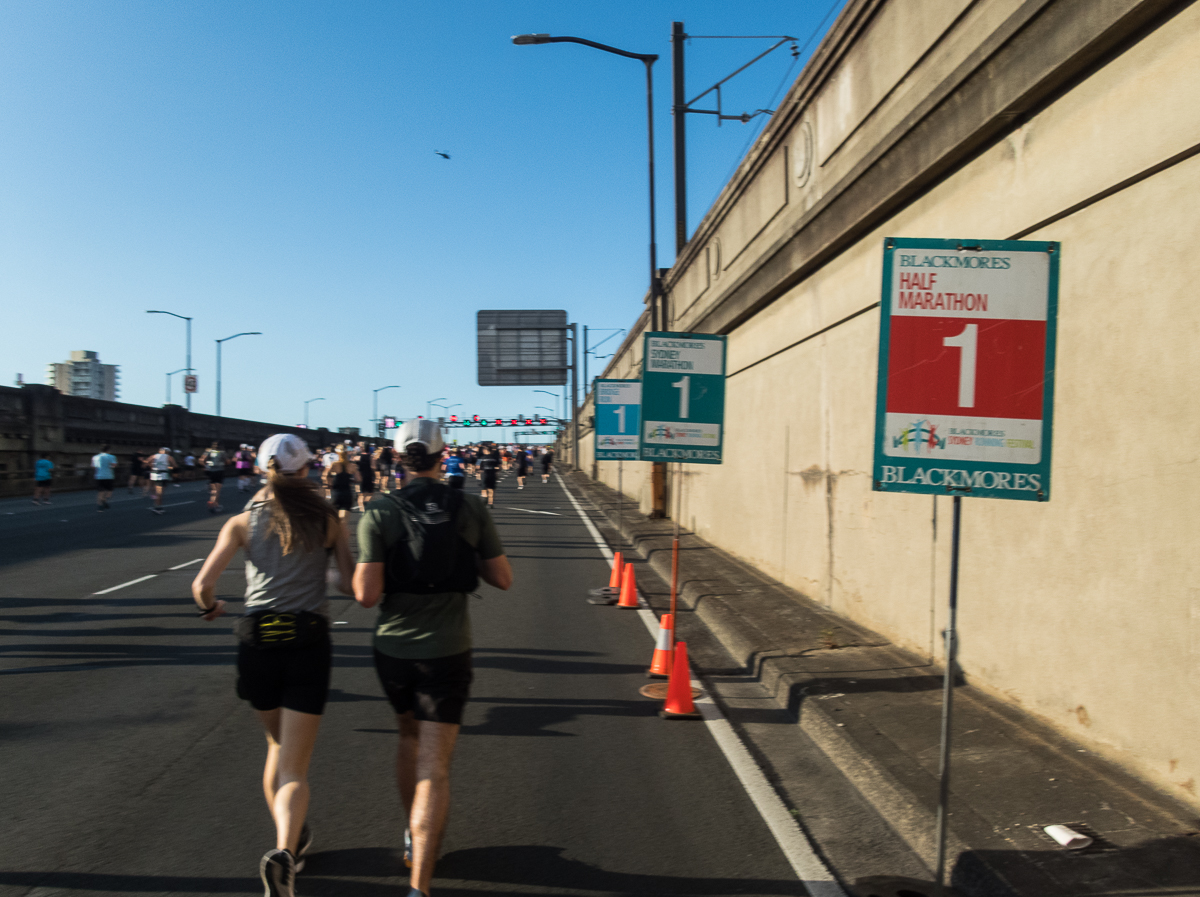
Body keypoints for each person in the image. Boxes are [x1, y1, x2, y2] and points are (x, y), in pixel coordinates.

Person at [354, 419, 512, 897]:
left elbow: (365, 595)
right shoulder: (468, 507)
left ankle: (410, 833)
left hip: (393, 651)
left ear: (398, 459)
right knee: (434, 766)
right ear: (446, 456)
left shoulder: (379, 512)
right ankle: (419, 886)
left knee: (408, 738)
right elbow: (502, 579)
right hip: (447, 650)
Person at [192, 434, 354, 897]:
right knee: (294, 768)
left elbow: (202, 585)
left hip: (257, 640)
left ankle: (292, 845)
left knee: (275, 748)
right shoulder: (327, 519)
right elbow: (346, 583)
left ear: (261, 470)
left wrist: (211, 607)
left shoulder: (241, 522)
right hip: (307, 641)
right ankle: (286, 850)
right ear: (306, 470)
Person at [322, 445, 359, 520]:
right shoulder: (352, 465)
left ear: (336, 453)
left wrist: (328, 484)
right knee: (343, 522)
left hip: (336, 493)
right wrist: (352, 480)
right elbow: (359, 479)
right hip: (347, 493)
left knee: (334, 521)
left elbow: (324, 475)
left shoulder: (334, 464)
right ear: (347, 453)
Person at [146, 447, 176, 514]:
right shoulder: (169, 457)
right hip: (163, 475)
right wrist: (169, 467)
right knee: (160, 492)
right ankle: (158, 507)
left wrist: (152, 466)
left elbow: (147, 462)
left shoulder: (153, 456)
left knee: (158, 492)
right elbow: (175, 465)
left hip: (155, 474)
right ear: (167, 452)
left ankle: (158, 506)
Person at [201, 442, 228, 513]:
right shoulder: (222, 452)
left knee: (213, 490)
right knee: (217, 490)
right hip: (219, 471)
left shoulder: (209, 452)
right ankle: (214, 505)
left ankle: (214, 503)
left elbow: (201, 460)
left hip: (211, 472)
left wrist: (206, 466)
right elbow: (227, 461)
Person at [91, 444, 118, 511]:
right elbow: (114, 465)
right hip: (109, 476)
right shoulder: (112, 457)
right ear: (108, 450)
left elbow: (93, 466)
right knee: (110, 492)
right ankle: (104, 500)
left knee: (100, 492)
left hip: (99, 476)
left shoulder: (95, 457)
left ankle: (100, 507)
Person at [356, 442, 376, 512]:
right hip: (369, 475)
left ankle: (362, 509)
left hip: (360, 476)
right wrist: (375, 477)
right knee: (370, 493)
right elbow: (373, 467)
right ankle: (367, 504)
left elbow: (355, 467)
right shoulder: (371, 457)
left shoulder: (357, 457)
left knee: (361, 494)